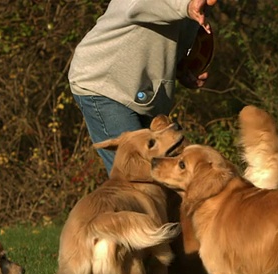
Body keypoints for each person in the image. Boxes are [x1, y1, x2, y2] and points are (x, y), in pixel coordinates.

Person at [68, 0, 217, 175]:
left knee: (164, 177)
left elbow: (162, 44)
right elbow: (138, 5)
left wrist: (182, 71)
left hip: (143, 96)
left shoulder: (198, 9)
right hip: (104, 84)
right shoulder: (190, 4)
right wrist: (187, 6)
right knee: (136, 179)